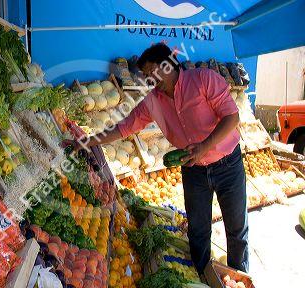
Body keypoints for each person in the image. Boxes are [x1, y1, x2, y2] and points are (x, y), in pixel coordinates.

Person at [66, 43, 249, 274]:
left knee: (236, 229)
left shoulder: (204, 79)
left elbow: (232, 118)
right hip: (193, 170)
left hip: (227, 164)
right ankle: (204, 275)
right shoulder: (153, 101)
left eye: (153, 71)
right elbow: (123, 128)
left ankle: (239, 277)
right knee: (198, 230)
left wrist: (204, 146)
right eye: (146, 75)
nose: (150, 79)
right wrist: (86, 141)